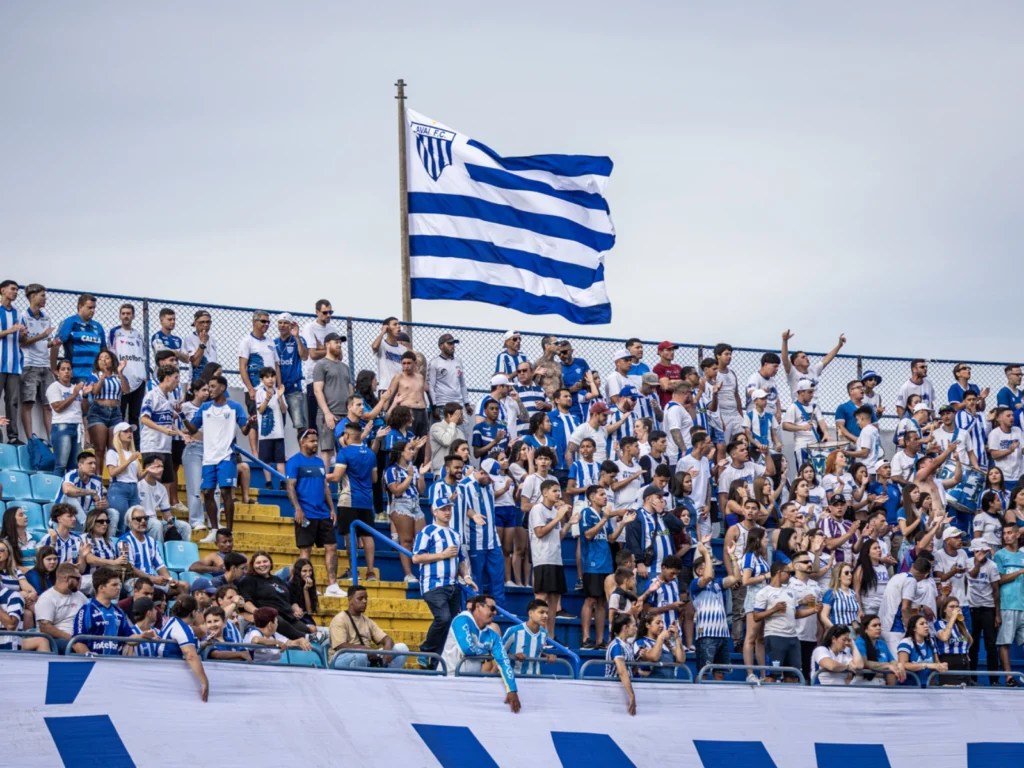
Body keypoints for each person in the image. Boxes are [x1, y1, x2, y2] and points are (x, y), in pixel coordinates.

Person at [183, 373, 253, 538]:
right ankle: (214, 530)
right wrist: (181, 417)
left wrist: (249, 424)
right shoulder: (205, 408)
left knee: (225, 492)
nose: (209, 391)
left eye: (213, 387)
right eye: (208, 388)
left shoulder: (235, 407)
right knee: (207, 492)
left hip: (227, 456)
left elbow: (244, 430)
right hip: (208, 457)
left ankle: (228, 531)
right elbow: (193, 429)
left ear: (223, 387)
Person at [413, 493, 476, 668]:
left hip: (452, 585)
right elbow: (416, 558)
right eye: (443, 509)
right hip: (433, 584)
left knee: (450, 623)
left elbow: (461, 559)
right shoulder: (427, 532)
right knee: (443, 618)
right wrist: (442, 555)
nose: (447, 512)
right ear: (434, 511)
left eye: (449, 509)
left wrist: (467, 577)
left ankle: (434, 660)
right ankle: (425, 652)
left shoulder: (455, 534)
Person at [284, 427, 343, 596]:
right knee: (305, 550)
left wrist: (332, 508)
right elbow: (290, 486)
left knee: (331, 546)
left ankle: (332, 585)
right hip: (306, 514)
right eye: (311, 441)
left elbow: (325, 487)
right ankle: (306, 585)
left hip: (323, 513)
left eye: (316, 440)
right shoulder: (294, 461)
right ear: (302, 442)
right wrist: (298, 509)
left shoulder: (319, 462)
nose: (315, 443)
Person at [441, 594, 521, 710]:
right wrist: (488, 653)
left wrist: (512, 690)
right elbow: (466, 648)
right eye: (492, 608)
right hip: (448, 681)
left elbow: (503, 661)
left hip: (472, 684)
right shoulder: (461, 620)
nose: (495, 613)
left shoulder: (492, 635)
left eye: (496, 610)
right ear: (478, 606)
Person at [579, 485, 634, 649]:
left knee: (603, 602)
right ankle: (586, 638)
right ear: (592, 497)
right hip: (592, 563)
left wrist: (622, 524)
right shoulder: (586, 513)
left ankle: (600, 640)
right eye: (602, 494)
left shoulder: (605, 516)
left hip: (606, 563)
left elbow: (610, 538)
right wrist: (604, 518)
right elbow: (588, 535)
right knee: (590, 600)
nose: (605, 497)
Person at [752, 561, 820, 683]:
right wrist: (774, 609)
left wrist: (813, 610)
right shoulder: (764, 593)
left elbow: (796, 614)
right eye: (788, 573)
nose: (790, 576)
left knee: (793, 675)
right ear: (779, 573)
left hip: (793, 637)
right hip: (774, 636)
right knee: (772, 675)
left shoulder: (790, 592)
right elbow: (756, 616)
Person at [329, 420, 379, 580]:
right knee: (367, 535)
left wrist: (322, 476)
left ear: (348, 435)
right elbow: (374, 478)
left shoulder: (345, 453)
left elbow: (336, 477)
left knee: (349, 535)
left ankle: (354, 570)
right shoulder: (371, 454)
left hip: (349, 499)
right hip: (366, 500)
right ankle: (371, 572)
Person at [529, 479, 577, 637]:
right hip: (542, 559)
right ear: (545, 493)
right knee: (541, 599)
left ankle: (550, 637)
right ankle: (537, 635)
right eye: (555, 491)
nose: (558, 494)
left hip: (556, 559)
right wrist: (558, 517)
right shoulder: (538, 509)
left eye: (559, 491)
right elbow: (539, 532)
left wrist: (569, 522)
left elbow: (559, 536)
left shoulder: (553, 512)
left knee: (554, 600)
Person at [71, 566, 152, 655]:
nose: (118, 588)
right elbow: (77, 642)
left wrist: (142, 637)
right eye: (114, 585)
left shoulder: (119, 612)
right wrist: (92, 659)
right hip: (94, 665)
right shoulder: (86, 610)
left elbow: (129, 639)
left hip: (114, 665)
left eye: (119, 584)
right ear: (101, 588)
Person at [237, 551, 315, 640]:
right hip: (271, 616)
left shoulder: (277, 579)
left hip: (288, 615)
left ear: (270, 563)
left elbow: (290, 600)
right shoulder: (248, 580)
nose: (262, 565)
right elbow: (246, 602)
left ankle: (306, 636)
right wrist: (259, 613)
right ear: (253, 565)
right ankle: (305, 637)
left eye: (265, 561)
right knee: (275, 619)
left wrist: (295, 608)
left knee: (305, 629)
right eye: (258, 562)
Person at [140, 363, 187, 509]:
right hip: (152, 444)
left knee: (167, 479)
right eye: (175, 378)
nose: (177, 381)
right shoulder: (152, 395)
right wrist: (163, 430)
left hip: (166, 446)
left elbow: (168, 420)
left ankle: (165, 509)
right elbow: (144, 418)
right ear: (166, 378)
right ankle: (149, 508)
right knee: (152, 478)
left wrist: (181, 434)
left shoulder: (170, 397)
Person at [329, 583, 409, 667]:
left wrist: (387, 651)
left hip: (366, 656)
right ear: (350, 600)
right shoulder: (339, 619)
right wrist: (365, 650)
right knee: (361, 655)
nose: (364, 601)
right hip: (341, 659)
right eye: (360, 598)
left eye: (366, 598)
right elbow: (341, 646)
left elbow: (386, 639)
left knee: (402, 648)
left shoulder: (367, 620)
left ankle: (387, 676)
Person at [18, 284, 59, 441]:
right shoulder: (23, 316)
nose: (45, 299)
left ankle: (51, 440)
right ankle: (31, 440)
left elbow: (44, 342)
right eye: (42, 295)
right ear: (32, 296)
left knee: (48, 405)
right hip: (29, 364)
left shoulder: (46, 317)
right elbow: (23, 342)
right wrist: (42, 336)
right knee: (28, 403)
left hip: (45, 365)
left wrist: (52, 343)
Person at [119, 506, 188, 595]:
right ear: (129, 522)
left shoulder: (151, 541)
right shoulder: (124, 542)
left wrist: (170, 580)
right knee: (145, 587)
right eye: (139, 519)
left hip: (150, 580)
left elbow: (160, 566)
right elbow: (130, 569)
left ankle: (178, 608)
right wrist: (151, 579)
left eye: (145, 518)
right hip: (133, 581)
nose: (143, 521)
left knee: (184, 586)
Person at [156, 595, 210, 700]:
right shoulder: (182, 628)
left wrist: (203, 644)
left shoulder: (172, 622)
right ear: (193, 613)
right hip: (172, 674)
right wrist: (204, 681)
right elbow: (190, 655)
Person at [879, 557, 933, 656]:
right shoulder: (910, 581)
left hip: (884, 624)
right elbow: (905, 607)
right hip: (896, 628)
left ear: (912, 565)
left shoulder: (897, 576)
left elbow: (899, 601)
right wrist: (910, 629)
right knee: (899, 665)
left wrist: (921, 606)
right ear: (925, 575)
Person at [312, 332, 352, 462]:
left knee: (346, 449)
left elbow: (351, 391)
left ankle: (344, 482)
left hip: (346, 415)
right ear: (327, 344)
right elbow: (318, 390)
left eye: (340, 342)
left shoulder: (345, 367)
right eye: (336, 342)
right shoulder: (321, 364)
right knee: (327, 451)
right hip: (329, 414)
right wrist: (327, 413)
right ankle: (325, 482)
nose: (339, 345)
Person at [780, 329, 845, 408]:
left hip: (815, 409)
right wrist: (784, 341)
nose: (806, 358)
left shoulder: (813, 370)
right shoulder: (793, 373)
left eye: (806, 356)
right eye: (803, 357)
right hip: (800, 409)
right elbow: (785, 359)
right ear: (795, 362)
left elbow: (826, 359)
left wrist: (839, 346)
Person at [993, 522, 1024, 686]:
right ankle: (1009, 677)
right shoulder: (999, 555)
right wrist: (1020, 571)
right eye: (1004, 533)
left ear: (1018, 535)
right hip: (1007, 604)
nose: (1006, 536)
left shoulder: (1022, 555)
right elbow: (998, 579)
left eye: (1010, 533)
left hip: (1023, 604)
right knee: (1004, 643)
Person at [34, 563, 88, 653]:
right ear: (66, 578)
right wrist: (72, 639)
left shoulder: (80, 596)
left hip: (80, 637)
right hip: (57, 639)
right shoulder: (47, 598)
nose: (80, 581)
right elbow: (45, 628)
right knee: (77, 646)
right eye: (78, 578)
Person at [136, 455, 192, 543]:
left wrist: (171, 522)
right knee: (157, 525)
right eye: (158, 466)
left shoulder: (161, 488)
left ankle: (182, 554)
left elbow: (166, 514)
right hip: (141, 520)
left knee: (184, 526)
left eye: (162, 467)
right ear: (147, 468)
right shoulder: (138, 485)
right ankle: (158, 553)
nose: (161, 469)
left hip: (154, 520)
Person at [966, 539, 1000, 680]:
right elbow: (972, 575)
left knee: (991, 645)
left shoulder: (992, 566)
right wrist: (978, 563)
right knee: (972, 645)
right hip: (972, 608)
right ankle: (972, 679)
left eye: (984, 550)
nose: (981, 553)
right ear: (973, 551)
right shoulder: (968, 562)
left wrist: (997, 614)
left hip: (988, 608)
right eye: (979, 550)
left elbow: (996, 590)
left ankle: (994, 680)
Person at [53, 293, 104, 384]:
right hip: (76, 375)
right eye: (89, 307)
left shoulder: (98, 326)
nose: (93, 310)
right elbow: (55, 345)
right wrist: (53, 369)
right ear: (80, 306)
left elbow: (104, 350)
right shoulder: (70, 322)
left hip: (95, 376)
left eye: (94, 308)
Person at [57, 450, 112, 531]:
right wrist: (90, 491)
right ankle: (87, 528)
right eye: (90, 463)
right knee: (70, 497)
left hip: (82, 517)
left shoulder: (97, 480)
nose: (93, 466)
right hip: (63, 519)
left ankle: (107, 540)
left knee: (113, 513)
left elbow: (99, 503)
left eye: (95, 464)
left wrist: (102, 504)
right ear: (80, 465)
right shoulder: (71, 475)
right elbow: (67, 490)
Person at [46, 360, 84, 476]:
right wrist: (74, 395)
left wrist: (86, 395)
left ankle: (70, 492)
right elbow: (57, 407)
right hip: (62, 426)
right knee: (61, 465)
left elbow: (85, 410)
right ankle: (56, 492)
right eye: (63, 369)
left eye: (69, 369)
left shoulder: (76, 388)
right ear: (57, 372)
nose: (66, 372)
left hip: (78, 426)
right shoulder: (54, 387)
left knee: (74, 466)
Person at [782, 379, 831, 467]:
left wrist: (826, 432)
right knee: (803, 472)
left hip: (816, 446)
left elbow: (821, 421)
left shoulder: (814, 406)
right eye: (810, 392)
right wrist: (802, 427)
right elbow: (785, 425)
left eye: (812, 392)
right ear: (801, 392)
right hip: (802, 446)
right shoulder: (793, 407)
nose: (812, 395)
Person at [243, 606, 313, 663]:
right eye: (276, 622)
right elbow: (256, 640)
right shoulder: (253, 632)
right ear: (270, 624)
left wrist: (300, 641)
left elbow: (289, 643)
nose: (277, 624)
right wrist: (277, 643)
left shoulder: (274, 634)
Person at [254, 366, 287, 483]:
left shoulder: (278, 391)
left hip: (278, 433)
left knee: (280, 459)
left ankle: (282, 481)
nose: (270, 379)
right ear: (262, 380)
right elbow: (260, 410)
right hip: (265, 434)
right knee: (266, 459)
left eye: (272, 376)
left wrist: (280, 397)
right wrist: (267, 399)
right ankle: (268, 482)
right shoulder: (259, 392)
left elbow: (283, 410)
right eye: (267, 377)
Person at [855, 614, 905, 686]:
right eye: (874, 625)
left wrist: (899, 665)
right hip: (864, 682)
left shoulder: (882, 643)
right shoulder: (859, 642)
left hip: (881, 682)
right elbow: (864, 663)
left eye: (879, 625)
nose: (878, 628)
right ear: (865, 629)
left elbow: (892, 661)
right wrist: (887, 665)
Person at [605, 613, 638, 716]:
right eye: (634, 625)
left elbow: (631, 670)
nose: (636, 629)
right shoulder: (616, 646)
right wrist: (631, 695)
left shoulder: (628, 645)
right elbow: (622, 671)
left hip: (623, 689)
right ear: (625, 627)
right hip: (614, 691)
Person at [820, 563, 861, 631]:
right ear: (838, 576)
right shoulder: (831, 593)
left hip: (855, 631)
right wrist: (834, 629)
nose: (850, 575)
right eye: (846, 573)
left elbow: (857, 615)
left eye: (851, 572)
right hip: (838, 631)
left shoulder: (853, 593)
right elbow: (823, 616)